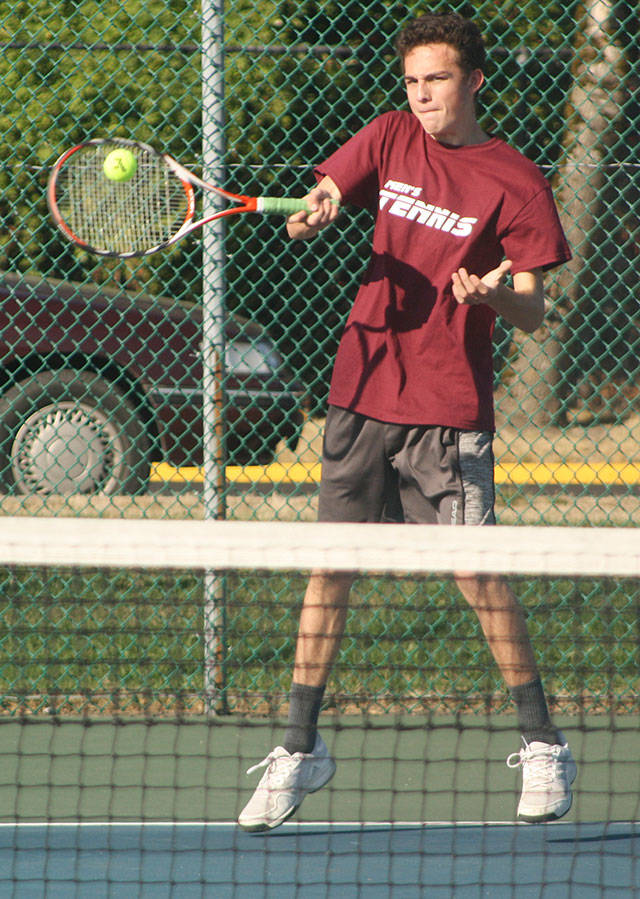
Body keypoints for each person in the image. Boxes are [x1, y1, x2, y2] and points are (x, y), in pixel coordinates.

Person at [238, 10, 576, 833]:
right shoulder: (389, 136)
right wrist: (313, 212)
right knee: (332, 569)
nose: (423, 95)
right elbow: (321, 195)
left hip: (448, 408)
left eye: (439, 79)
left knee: (476, 572)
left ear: (474, 82)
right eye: (414, 80)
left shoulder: (516, 180)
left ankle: (542, 743)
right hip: (360, 389)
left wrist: (492, 292)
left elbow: (533, 308)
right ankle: (298, 748)